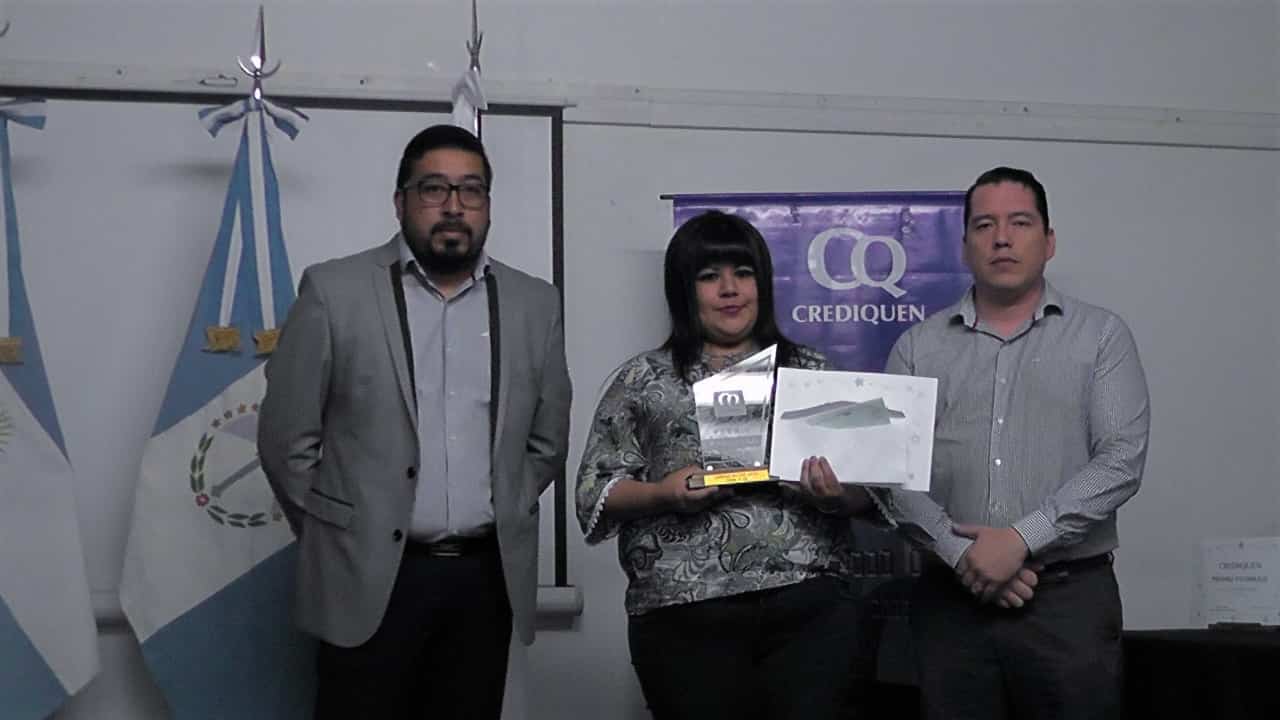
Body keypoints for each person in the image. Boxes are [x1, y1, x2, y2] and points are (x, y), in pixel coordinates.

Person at [258, 124, 571, 719]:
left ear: (487, 205)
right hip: (368, 579)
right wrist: (344, 530)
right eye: (434, 188)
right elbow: (286, 440)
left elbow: (546, 440)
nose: (454, 206)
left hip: (483, 582)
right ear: (401, 201)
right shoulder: (334, 291)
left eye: (471, 190)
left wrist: (501, 505)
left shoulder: (535, 303)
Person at [576, 210, 872, 720]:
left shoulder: (811, 373)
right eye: (710, 276)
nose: (730, 289)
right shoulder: (643, 379)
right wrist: (664, 493)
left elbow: (870, 494)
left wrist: (834, 494)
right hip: (684, 616)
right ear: (684, 291)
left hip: (810, 608)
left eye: (743, 273)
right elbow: (593, 494)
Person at [881, 166, 1150, 719]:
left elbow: (1121, 459)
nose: (1001, 238)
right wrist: (966, 557)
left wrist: (1021, 540)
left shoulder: (1102, 336)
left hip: (1069, 604)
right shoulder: (916, 347)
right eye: (984, 225)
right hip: (950, 605)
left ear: (1048, 242)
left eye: (1020, 222)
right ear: (964, 247)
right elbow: (890, 472)